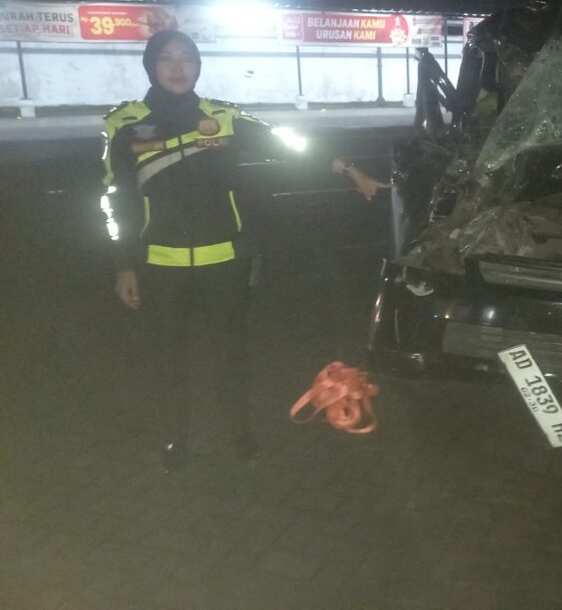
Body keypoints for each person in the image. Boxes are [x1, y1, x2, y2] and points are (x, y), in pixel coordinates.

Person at [101, 30, 388, 473]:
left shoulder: (223, 118)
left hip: (224, 263)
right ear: (151, 66)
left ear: (198, 66)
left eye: (187, 58)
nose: (178, 67)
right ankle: (176, 438)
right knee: (168, 359)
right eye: (167, 59)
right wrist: (124, 265)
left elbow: (287, 144)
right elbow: (113, 199)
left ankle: (240, 434)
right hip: (160, 265)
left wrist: (349, 169)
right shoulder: (124, 124)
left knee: (230, 356)